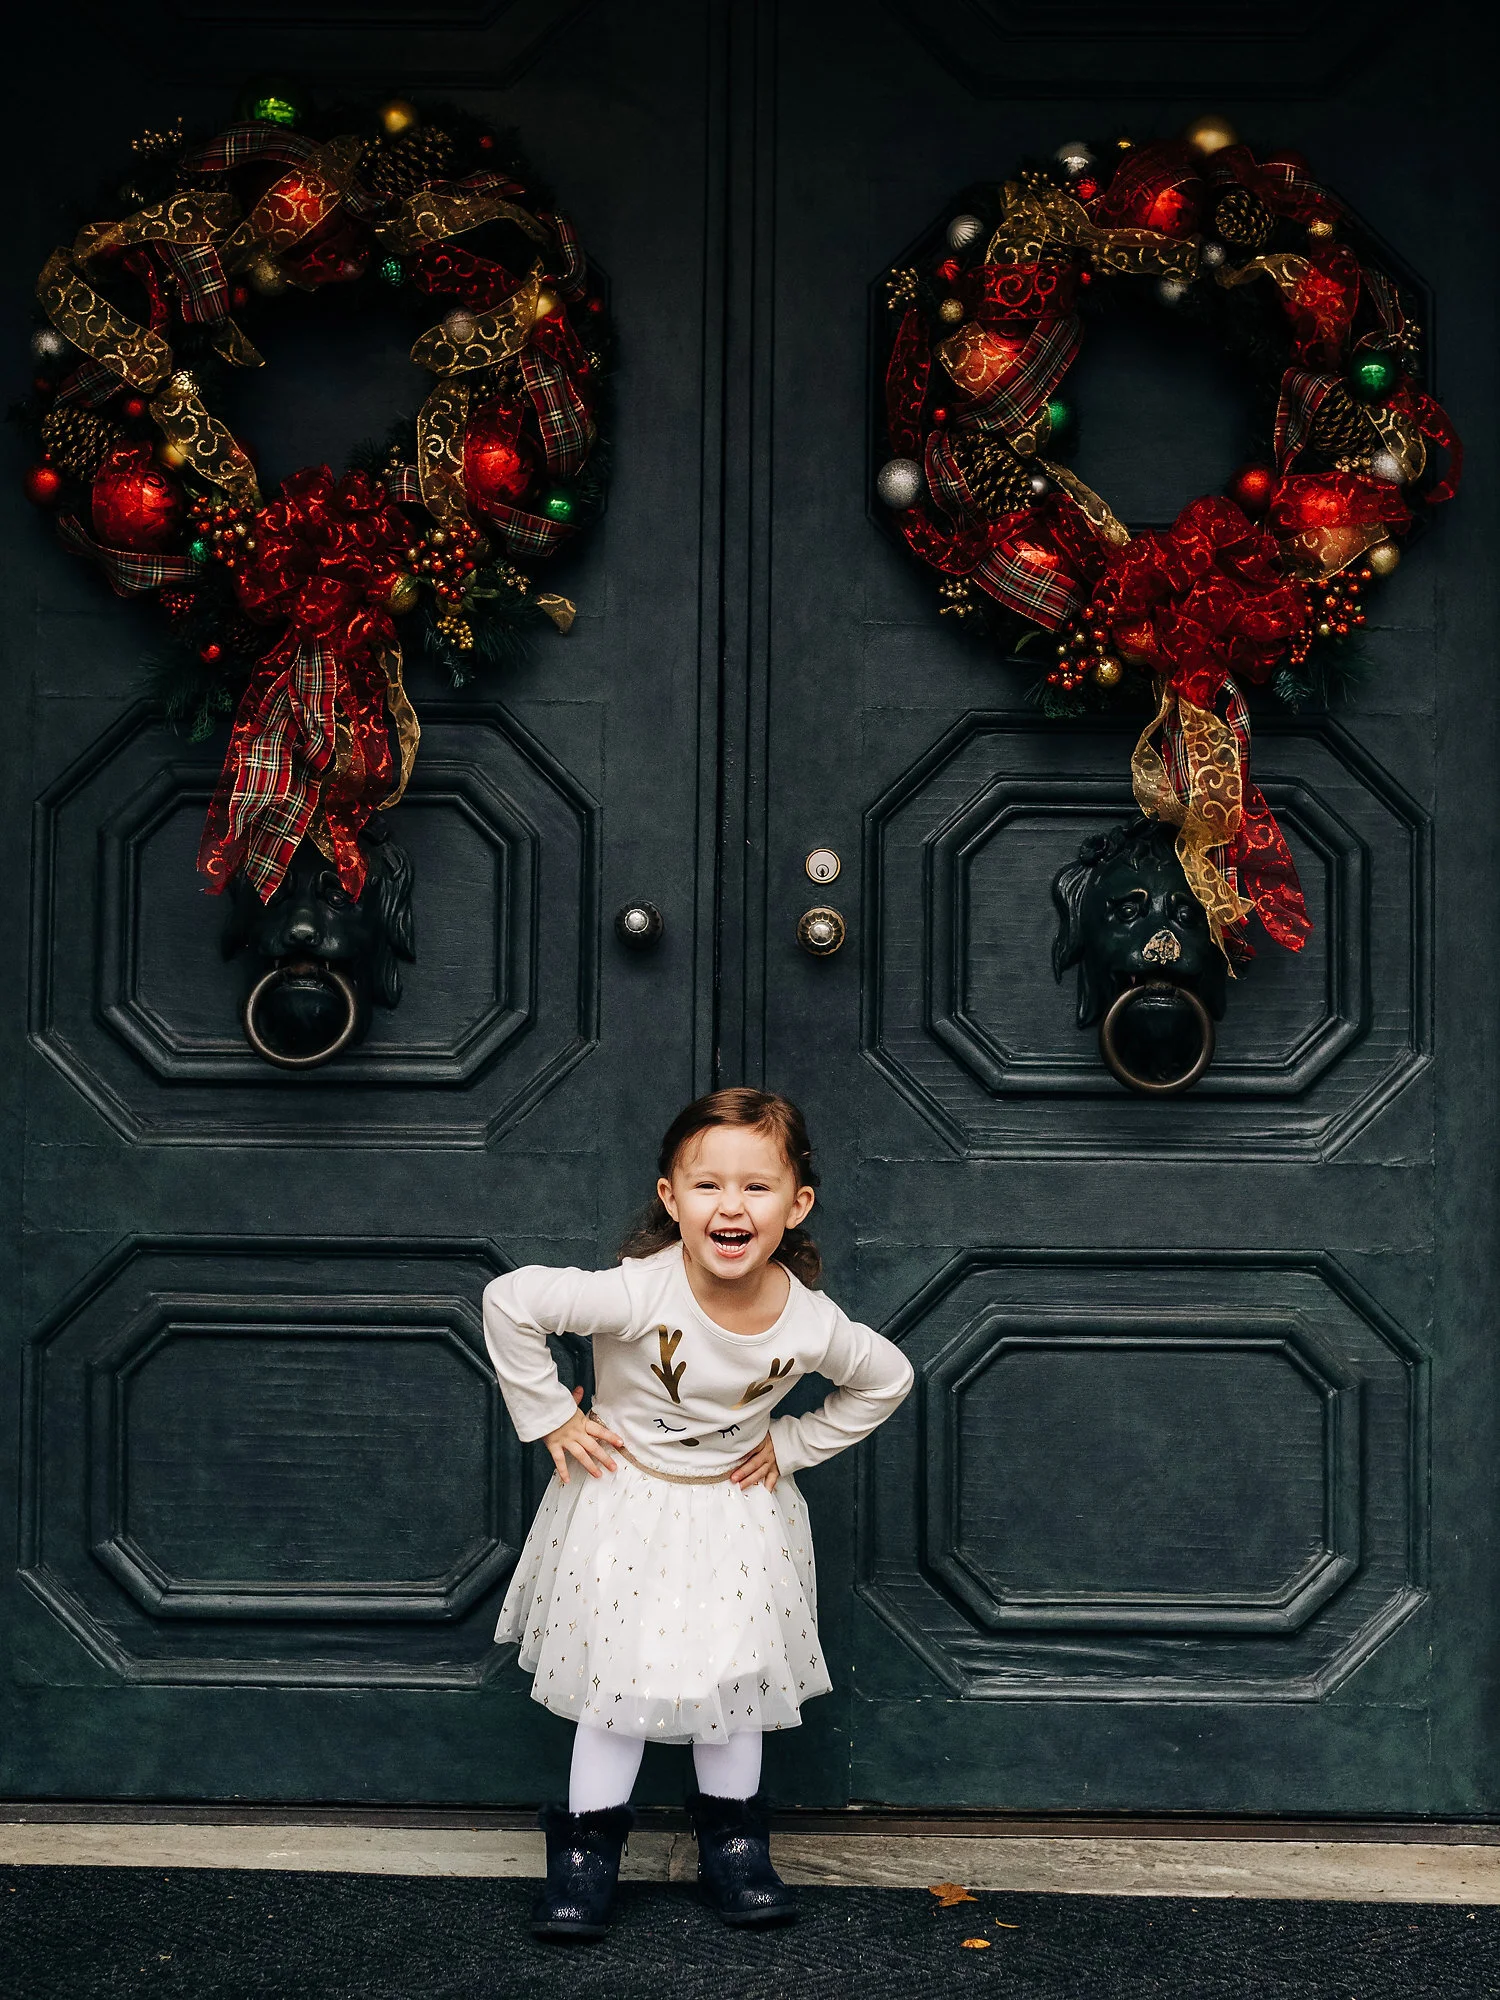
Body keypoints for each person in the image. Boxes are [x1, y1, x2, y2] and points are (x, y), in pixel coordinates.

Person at [482, 1086, 914, 1940]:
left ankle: (736, 1849)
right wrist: (553, 1416)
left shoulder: (811, 1322)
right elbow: (512, 1302)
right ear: (671, 1200)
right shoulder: (638, 1294)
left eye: (757, 1187)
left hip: (735, 1516)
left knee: (734, 1679)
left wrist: (791, 1446)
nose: (732, 1205)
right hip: (627, 1506)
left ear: (797, 1207)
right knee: (616, 1683)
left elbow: (887, 1377)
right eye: (708, 1185)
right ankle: (583, 1856)